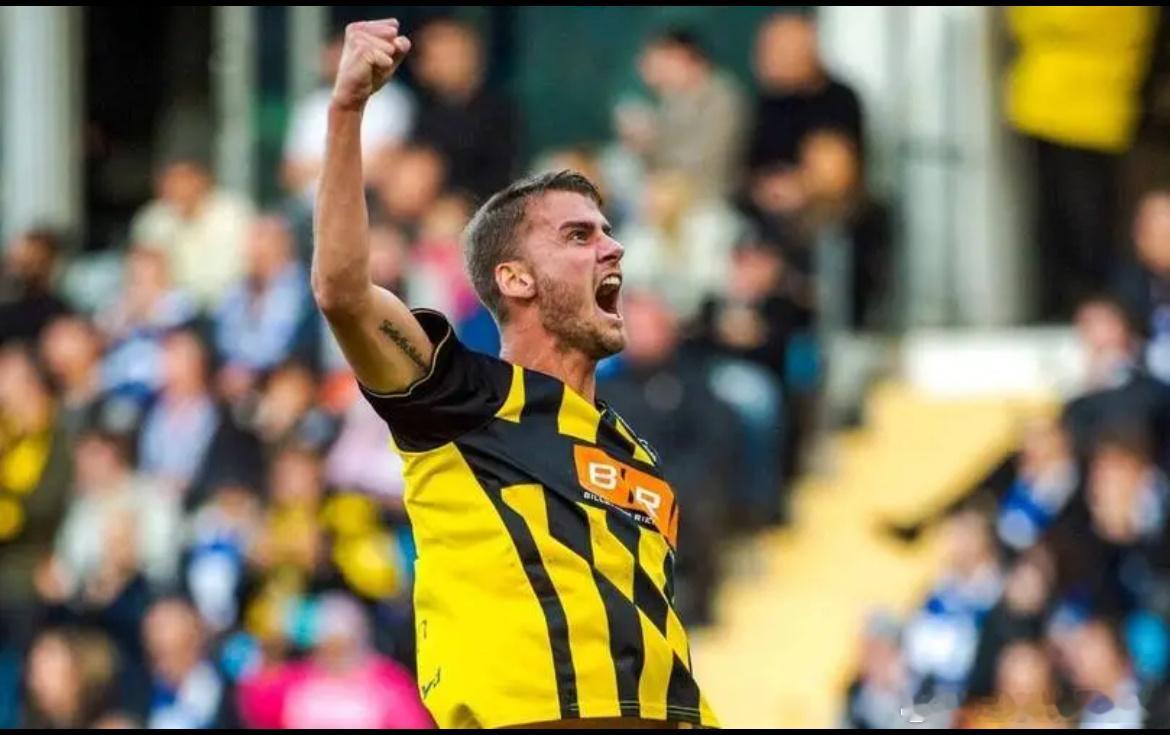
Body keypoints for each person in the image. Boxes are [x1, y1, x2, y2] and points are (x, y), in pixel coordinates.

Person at [312, 19, 718, 729]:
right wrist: (347, 111)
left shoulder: (634, 451)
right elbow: (343, 293)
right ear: (515, 278)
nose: (613, 248)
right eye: (578, 235)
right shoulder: (458, 398)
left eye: (608, 231)